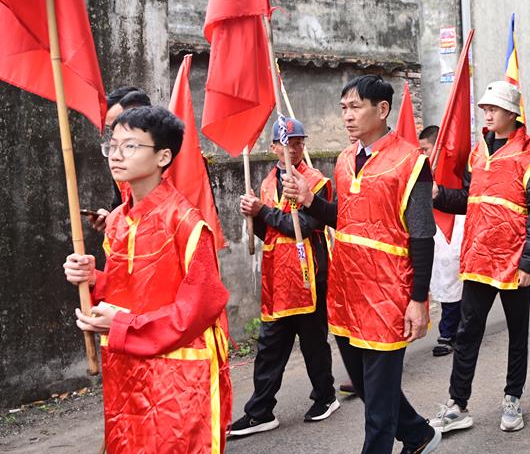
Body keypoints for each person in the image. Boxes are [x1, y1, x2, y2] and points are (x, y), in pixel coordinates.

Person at [282, 75, 440, 454]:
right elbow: (345, 218)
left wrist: (418, 299)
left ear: (382, 109)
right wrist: (310, 200)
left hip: (389, 292)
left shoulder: (411, 162)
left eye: (355, 107)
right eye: (343, 108)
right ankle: (418, 434)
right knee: (367, 385)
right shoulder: (344, 160)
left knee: (378, 410)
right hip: (347, 288)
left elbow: (422, 235)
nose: (347, 116)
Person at [63, 106, 231, 454]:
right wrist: (92, 280)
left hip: (176, 375)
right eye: (112, 145)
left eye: (130, 146)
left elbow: (197, 310)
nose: (116, 155)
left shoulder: (186, 222)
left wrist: (123, 325)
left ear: (163, 156)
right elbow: (127, 289)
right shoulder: (118, 221)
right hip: (127, 367)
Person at [430, 81, 530, 434]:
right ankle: (457, 404)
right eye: (485, 108)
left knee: (517, 333)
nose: (487, 114)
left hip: (515, 261)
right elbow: (469, 200)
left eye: (494, 109)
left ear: (512, 113)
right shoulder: (478, 151)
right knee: (467, 332)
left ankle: (512, 398)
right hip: (478, 258)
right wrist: (439, 195)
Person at [229, 117, 339, 438]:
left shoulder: (315, 181)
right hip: (276, 278)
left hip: (308, 276)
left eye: (299, 142)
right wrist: (253, 217)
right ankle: (260, 411)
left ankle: (325, 396)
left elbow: (302, 226)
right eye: (287, 143)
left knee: (313, 343)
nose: (294, 148)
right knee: (269, 347)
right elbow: (270, 233)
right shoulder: (266, 183)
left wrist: (262, 211)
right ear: (274, 147)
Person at [420, 125, 464, 358]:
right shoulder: (423, 169)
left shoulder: (454, 166)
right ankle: (454, 329)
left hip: (454, 226)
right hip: (433, 229)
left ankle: (448, 333)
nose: (423, 154)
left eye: (426, 149)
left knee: (452, 280)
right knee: (444, 281)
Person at [85, 87, 153, 233]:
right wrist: (111, 220)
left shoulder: (181, 162)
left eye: (120, 126)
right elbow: (121, 209)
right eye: (111, 129)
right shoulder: (120, 162)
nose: (115, 156)